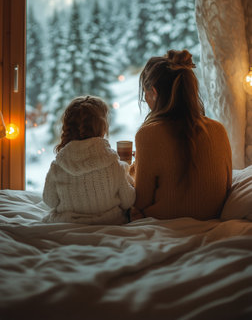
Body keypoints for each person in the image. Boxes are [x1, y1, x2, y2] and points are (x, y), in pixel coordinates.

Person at [130, 49, 232, 221]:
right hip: (212, 221)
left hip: (163, 223)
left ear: (154, 93)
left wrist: (135, 167)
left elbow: (140, 202)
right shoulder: (218, 130)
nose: (146, 101)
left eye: (145, 96)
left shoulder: (148, 135)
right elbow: (226, 186)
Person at [43, 95, 135, 224]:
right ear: (103, 128)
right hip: (110, 222)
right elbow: (128, 201)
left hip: (67, 223)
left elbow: (49, 201)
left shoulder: (58, 166)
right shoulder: (114, 165)